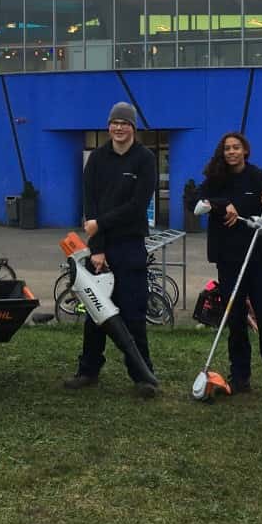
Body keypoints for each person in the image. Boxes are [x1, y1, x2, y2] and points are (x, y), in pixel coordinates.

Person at [63, 101, 159, 398]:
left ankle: (142, 375)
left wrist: (99, 224)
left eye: (125, 123)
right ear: (109, 126)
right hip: (100, 249)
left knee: (133, 314)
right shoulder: (97, 160)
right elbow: (90, 201)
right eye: (115, 122)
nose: (119, 128)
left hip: (130, 246)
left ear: (133, 128)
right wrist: (97, 248)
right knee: (95, 314)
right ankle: (88, 370)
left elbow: (136, 207)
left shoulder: (144, 160)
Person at [195, 132, 262, 404]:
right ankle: (240, 377)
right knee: (235, 319)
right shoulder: (215, 179)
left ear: (245, 150)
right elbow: (196, 202)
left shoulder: (258, 177)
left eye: (236, 147)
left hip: (258, 258)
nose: (232, 152)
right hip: (229, 260)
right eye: (227, 148)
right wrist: (223, 204)